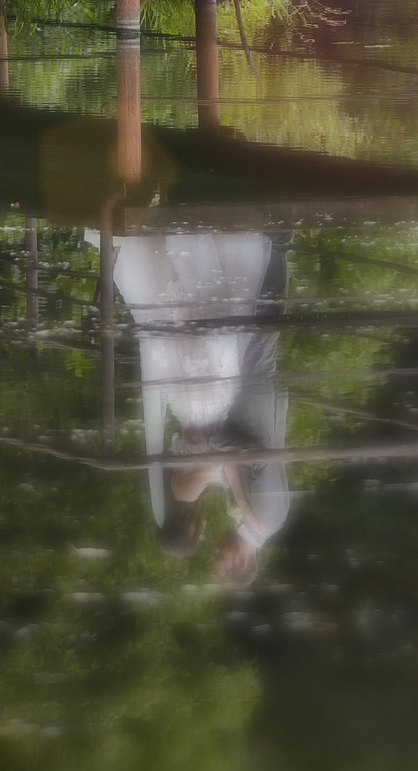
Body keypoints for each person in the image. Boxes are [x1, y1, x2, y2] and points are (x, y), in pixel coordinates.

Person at [114, 229, 291, 584]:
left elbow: (238, 460)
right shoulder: (266, 519)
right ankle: (278, 244)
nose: (215, 552)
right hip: (253, 401)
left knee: (253, 318)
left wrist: (219, 458)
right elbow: (253, 455)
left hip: (238, 403)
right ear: (241, 562)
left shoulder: (252, 517)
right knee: (262, 325)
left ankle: (271, 244)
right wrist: (220, 459)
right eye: (219, 561)